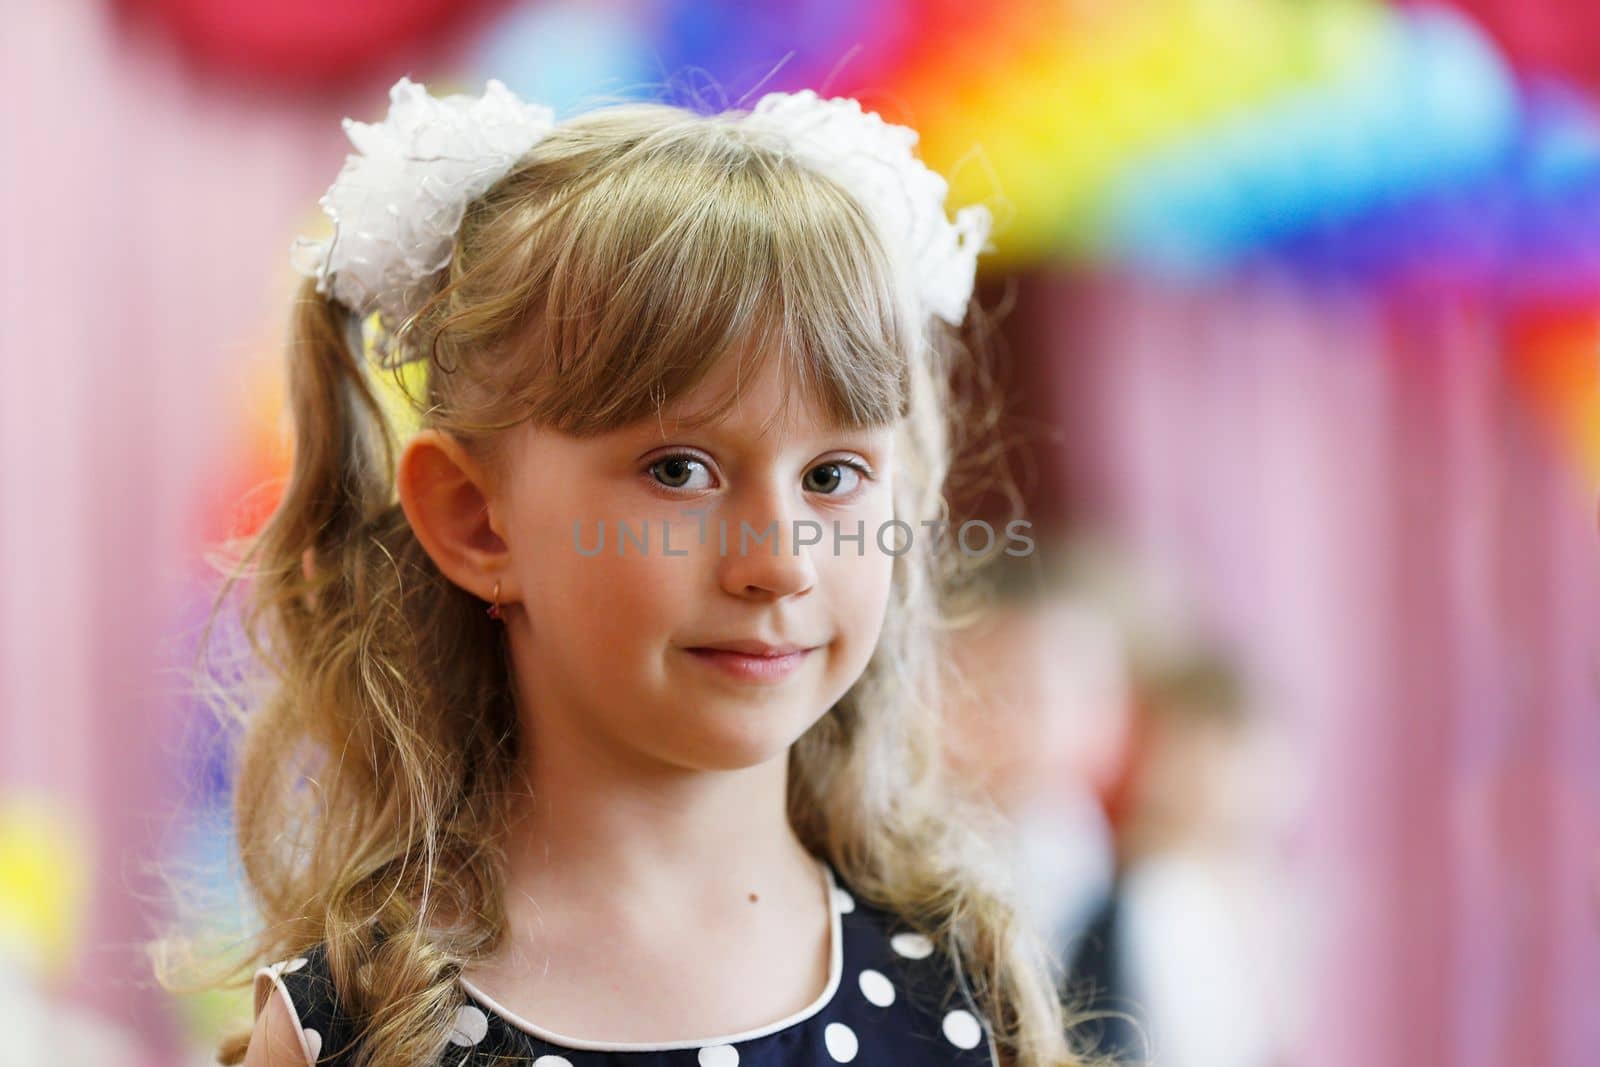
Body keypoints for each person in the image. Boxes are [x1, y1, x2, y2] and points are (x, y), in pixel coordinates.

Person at [151, 77, 1106, 1067]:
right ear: (477, 520)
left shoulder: (962, 983)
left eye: (833, 474)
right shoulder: (362, 1032)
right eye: (679, 470)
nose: (780, 561)